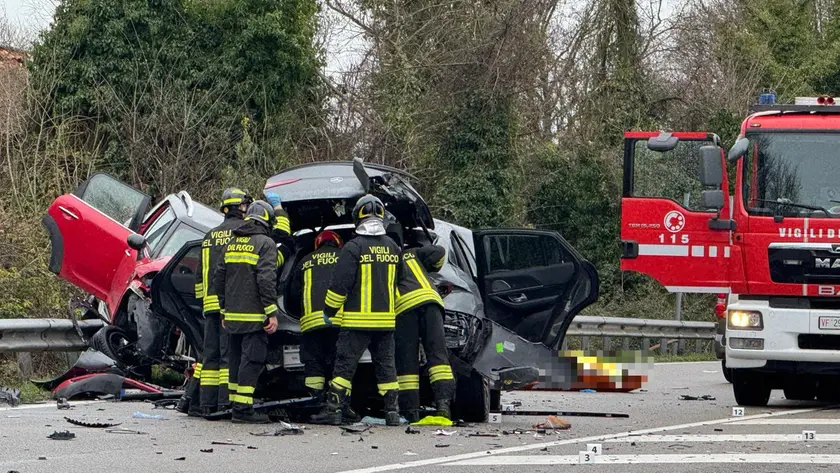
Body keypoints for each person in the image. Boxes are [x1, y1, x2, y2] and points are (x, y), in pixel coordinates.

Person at [309, 195, 403, 426]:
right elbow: (398, 282)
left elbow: (340, 285)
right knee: (387, 367)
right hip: (385, 322)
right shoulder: (393, 247)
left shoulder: (353, 248)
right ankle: (392, 412)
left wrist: (329, 311)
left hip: (356, 322)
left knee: (344, 366)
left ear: (357, 216)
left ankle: (333, 409)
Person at [213, 200, 286, 424]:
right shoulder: (265, 243)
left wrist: (224, 309)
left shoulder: (232, 242)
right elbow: (266, 279)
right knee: (252, 360)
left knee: (235, 359)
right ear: (266, 220)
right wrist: (271, 311)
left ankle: (236, 405)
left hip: (233, 315)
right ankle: (243, 410)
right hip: (255, 316)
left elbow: (219, 278)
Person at [193, 187, 252, 418]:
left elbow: (200, 275)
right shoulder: (242, 233)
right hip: (231, 306)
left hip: (209, 307)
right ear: (241, 208)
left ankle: (207, 404)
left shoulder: (209, 236)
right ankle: (225, 403)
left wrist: (202, 303)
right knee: (230, 357)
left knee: (211, 356)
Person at [390, 226, 454, 422]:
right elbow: (439, 253)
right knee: (438, 356)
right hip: (431, 304)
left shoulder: (383, 261)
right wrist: (432, 267)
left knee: (407, 362)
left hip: (404, 309)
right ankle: (444, 406)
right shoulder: (411, 254)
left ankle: (411, 412)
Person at [287, 230, 348, 414]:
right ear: (338, 243)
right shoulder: (344, 257)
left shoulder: (304, 261)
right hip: (338, 322)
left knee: (313, 364)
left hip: (310, 324)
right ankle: (339, 407)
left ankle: (314, 403)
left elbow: (293, 294)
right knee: (340, 364)